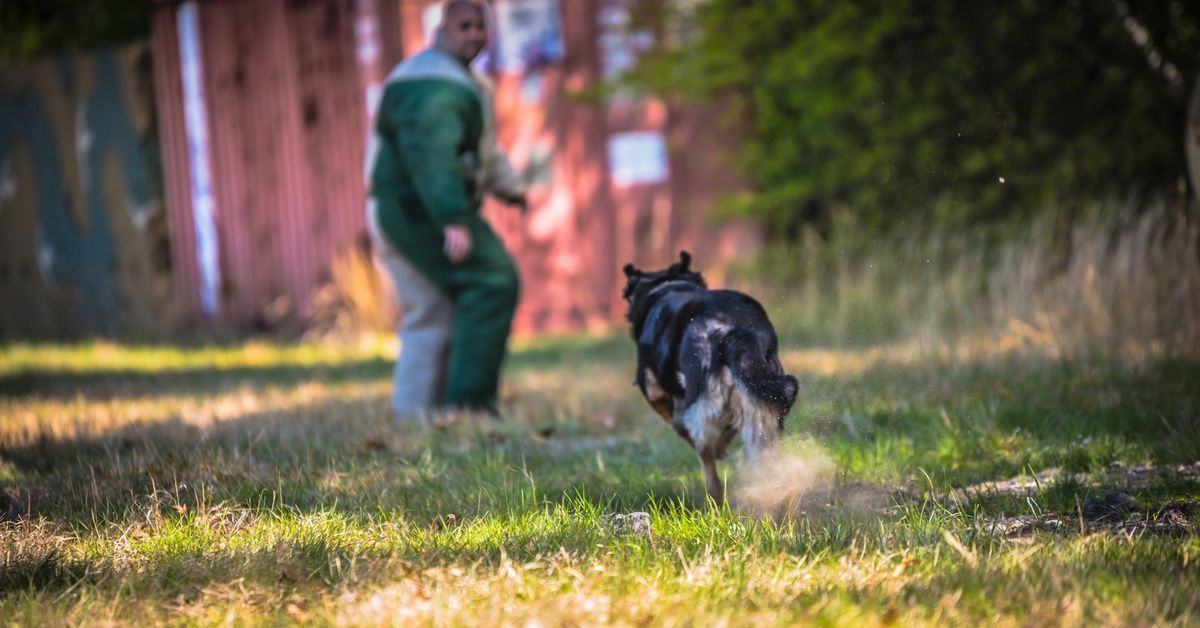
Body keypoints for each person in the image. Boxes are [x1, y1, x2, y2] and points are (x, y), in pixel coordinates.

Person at [366, 0, 527, 420]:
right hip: (416, 210)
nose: (474, 34)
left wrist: (512, 189)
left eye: (481, 26)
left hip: (400, 208)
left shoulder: (461, 79)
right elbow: (431, 155)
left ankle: (416, 418)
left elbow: (483, 155)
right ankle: (469, 407)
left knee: (432, 313)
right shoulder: (433, 84)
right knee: (492, 279)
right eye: (464, 26)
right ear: (441, 30)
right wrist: (452, 218)